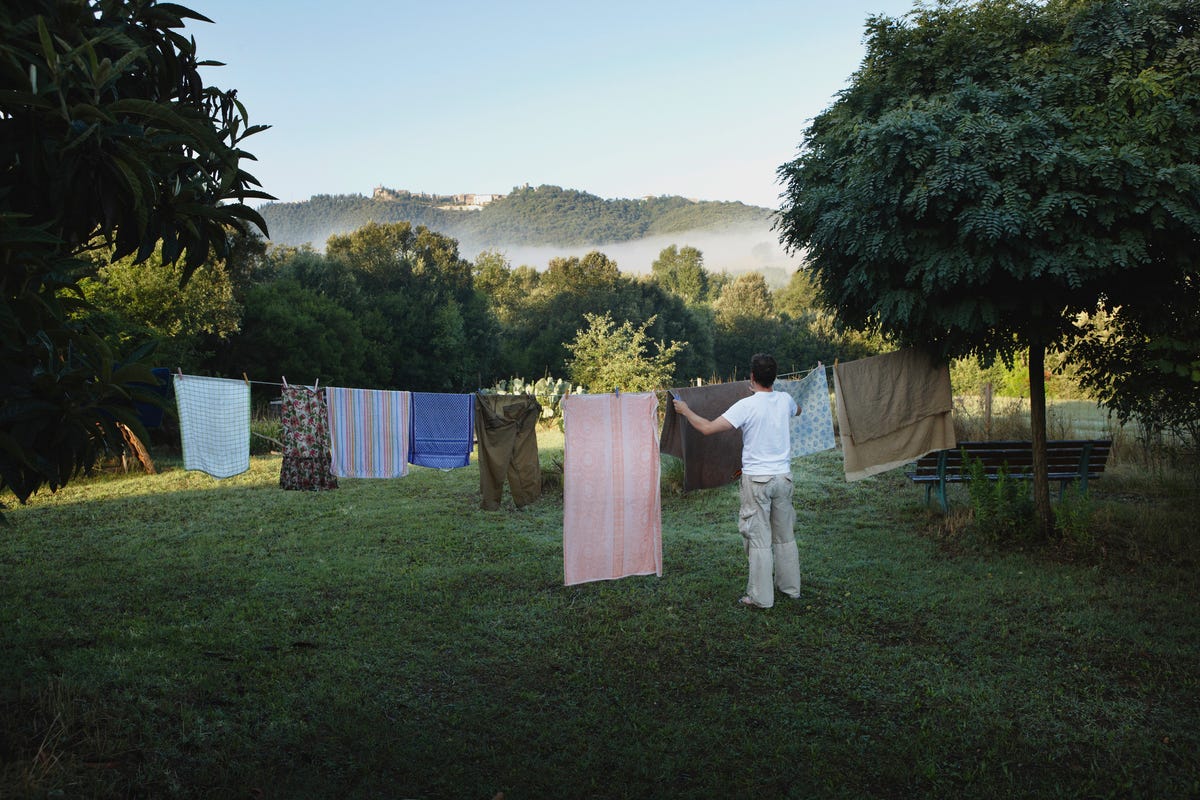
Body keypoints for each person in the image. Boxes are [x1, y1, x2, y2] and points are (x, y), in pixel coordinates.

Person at [672, 353, 802, 609]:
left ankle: (760, 598)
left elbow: (708, 428)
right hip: (784, 479)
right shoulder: (785, 400)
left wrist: (685, 410)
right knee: (785, 536)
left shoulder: (747, 405)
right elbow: (799, 409)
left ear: (752, 377)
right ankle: (790, 589)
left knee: (759, 539)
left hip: (758, 482)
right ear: (774, 377)